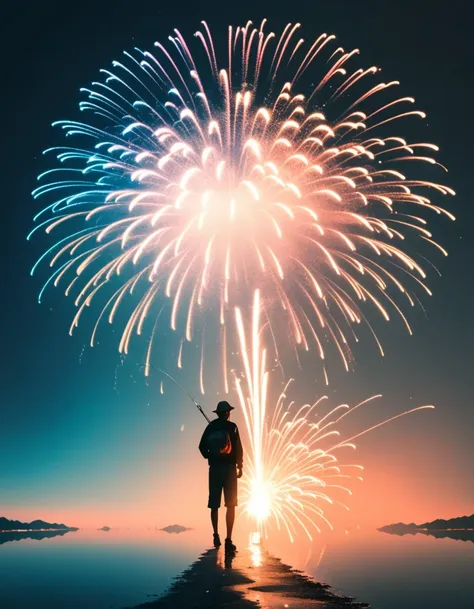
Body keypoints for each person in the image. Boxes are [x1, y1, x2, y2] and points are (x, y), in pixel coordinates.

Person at [199, 400, 243, 552]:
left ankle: (216, 535)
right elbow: (238, 448)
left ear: (218, 413)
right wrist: (240, 465)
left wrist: (210, 455)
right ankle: (228, 540)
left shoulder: (211, 427)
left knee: (214, 505)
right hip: (229, 470)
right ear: (228, 413)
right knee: (231, 505)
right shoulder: (232, 427)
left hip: (215, 469)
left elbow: (201, 447)